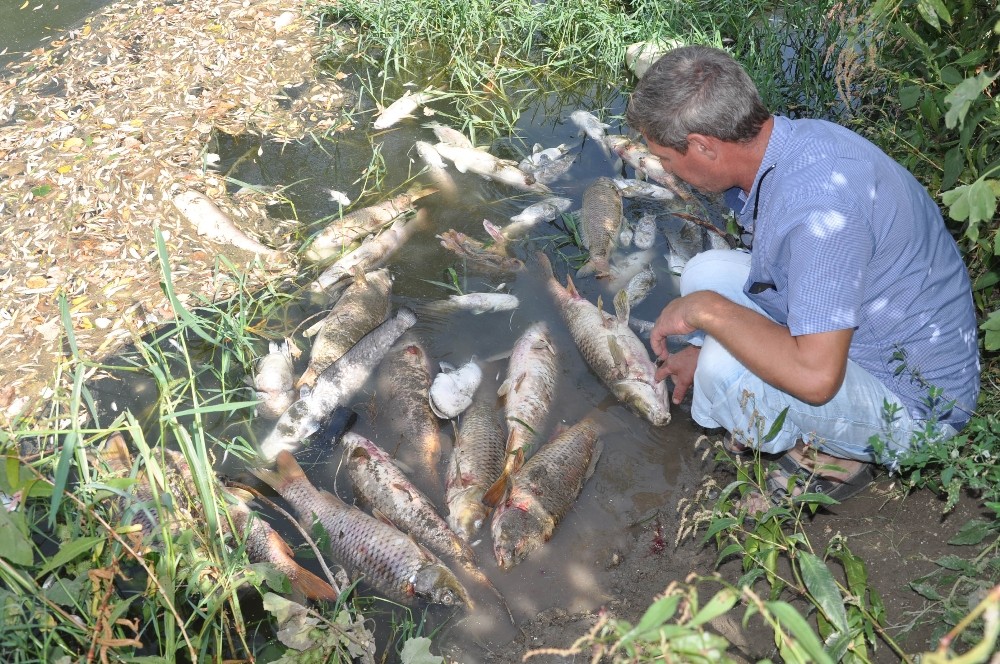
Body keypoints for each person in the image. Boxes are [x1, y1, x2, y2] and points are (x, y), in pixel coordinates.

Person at [625, 45, 981, 505]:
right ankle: (815, 425)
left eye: (668, 160)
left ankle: (837, 456)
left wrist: (708, 315)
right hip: (873, 333)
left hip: (920, 408)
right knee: (706, 271)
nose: (667, 171)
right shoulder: (794, 143)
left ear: (703, 146)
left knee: (723, 371)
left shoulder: (820, 212)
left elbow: (817, 379)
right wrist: (708, 321)